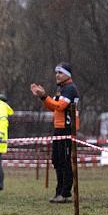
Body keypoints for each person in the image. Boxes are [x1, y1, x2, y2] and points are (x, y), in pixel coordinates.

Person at [30, 62, 80, 203]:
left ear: (67, 75)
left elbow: (59, 106)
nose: (57, 75)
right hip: (58, 128)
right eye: (56, 72)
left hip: (66, 129)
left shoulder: (70, 88)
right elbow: (54, 108)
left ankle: (65, 194)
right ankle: (59, 192)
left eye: (60, 72)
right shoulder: (61, 89)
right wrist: (42, 97)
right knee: (57, 161)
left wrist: (44, 95)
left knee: (64, 161)